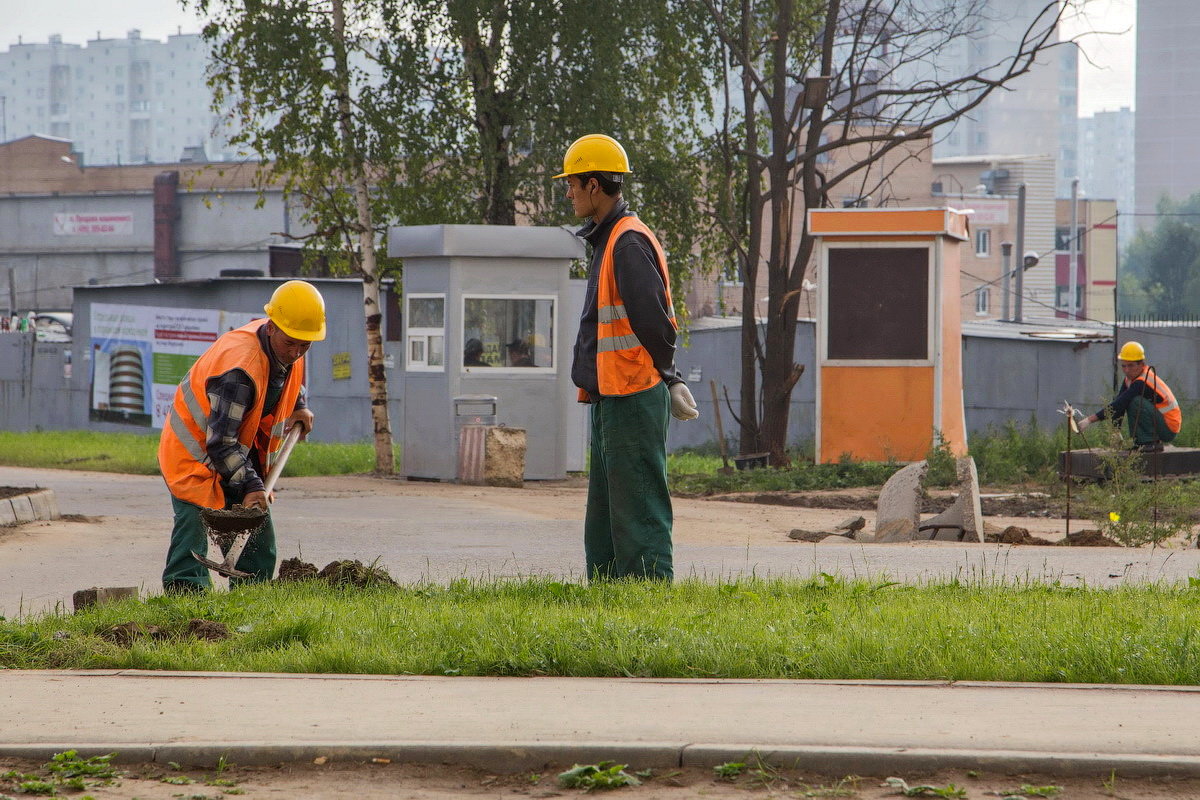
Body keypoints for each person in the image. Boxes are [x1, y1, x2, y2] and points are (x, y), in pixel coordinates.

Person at [555, 133, 699, 582]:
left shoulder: (627, 242)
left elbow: (655, 321)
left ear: (594, 185)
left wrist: (670, 378)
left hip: (634, 393)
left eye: (572, 184)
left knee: (638, 504)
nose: (568, 192)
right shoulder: (610, 238)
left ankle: (649, 596)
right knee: (606, 514)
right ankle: (608, 593)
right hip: (611, 394)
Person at [157, 279, 325, 592]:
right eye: (292, 343)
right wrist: (250, 485)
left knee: (259, 531)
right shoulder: (239, 371)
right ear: (272, 326)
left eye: (306, 344)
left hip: (237, 450)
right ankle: (187, 602)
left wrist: (299, 405)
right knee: (194, 526)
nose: (297, 351)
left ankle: (253, 598)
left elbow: (285, 380)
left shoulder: (289, 345)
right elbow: (220, 443)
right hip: (195, 454)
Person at [1076, 341, 1181, 452]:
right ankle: (1140, 443)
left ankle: (1149, 443)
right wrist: (1116, 432)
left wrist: (1090, 420)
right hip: (1161, 422)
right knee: (1128, 400)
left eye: (1130, 365)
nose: (1126, 370)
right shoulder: (1130, 380)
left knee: (1135, 401)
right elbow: (1119, 404)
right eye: (1124, 366)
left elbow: (1120, 404)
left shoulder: (1142, 381)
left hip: (1169, 428)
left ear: (1141, 364)